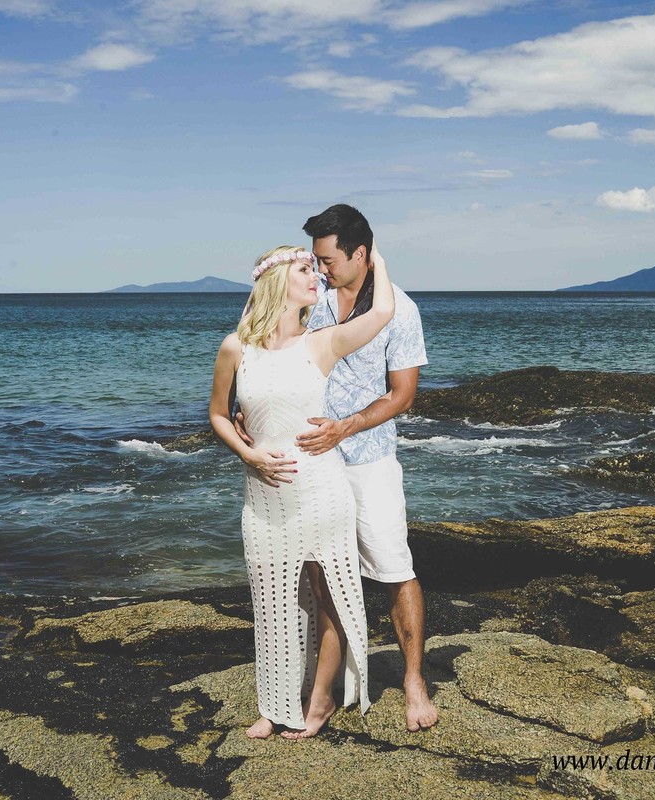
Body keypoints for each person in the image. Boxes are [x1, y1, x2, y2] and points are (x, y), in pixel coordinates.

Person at [236, 205, 438, 732]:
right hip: (309, 467)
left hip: (368, 460)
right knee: (317, 579)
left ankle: (414, 681)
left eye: (327, 260)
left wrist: (345, 428)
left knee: (393, 568)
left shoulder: (401, 310)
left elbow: (403, 395)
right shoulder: (312, 300)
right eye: (315, 261)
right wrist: (251, 408)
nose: (320, 269)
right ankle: (316, 691)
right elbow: (271, 357)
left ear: (361, 253)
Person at [209, 243, 395, 740]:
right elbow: (218, 415)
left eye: (316, 268)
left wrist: (374, 254)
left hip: (321, 489)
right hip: (263, 496)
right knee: (271, 601)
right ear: (276, 282)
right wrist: (248, 454)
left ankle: (320, 700)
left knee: (328, 593)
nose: (316, 276)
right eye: (304, 269)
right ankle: (273, 706)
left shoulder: (323, 343)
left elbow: (382, 311)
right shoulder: (236, 347)